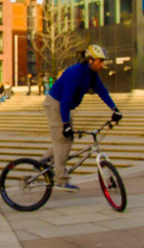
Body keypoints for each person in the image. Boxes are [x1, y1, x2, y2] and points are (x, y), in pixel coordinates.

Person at [45, 45, 122, 190]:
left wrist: (115, 109)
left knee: (64, 139)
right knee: (62, 140)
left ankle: (43, 162)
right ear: (90, 60)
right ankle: (60, 180)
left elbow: (102, 91)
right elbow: (65, 100)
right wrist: (66, 123)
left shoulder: (92, 75)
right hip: (55, 104)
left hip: (64, 106)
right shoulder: (75, 73)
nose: (102, 64)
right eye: (100, 61)